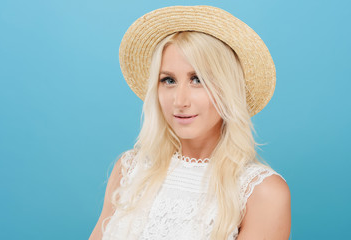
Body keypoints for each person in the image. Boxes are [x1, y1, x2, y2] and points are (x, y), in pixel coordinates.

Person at [90, 5, 291, 240]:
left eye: (197, 79)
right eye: (168, 80)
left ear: (228, 89)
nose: (180, 101)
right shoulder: (129, 169)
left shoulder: (261, 192)